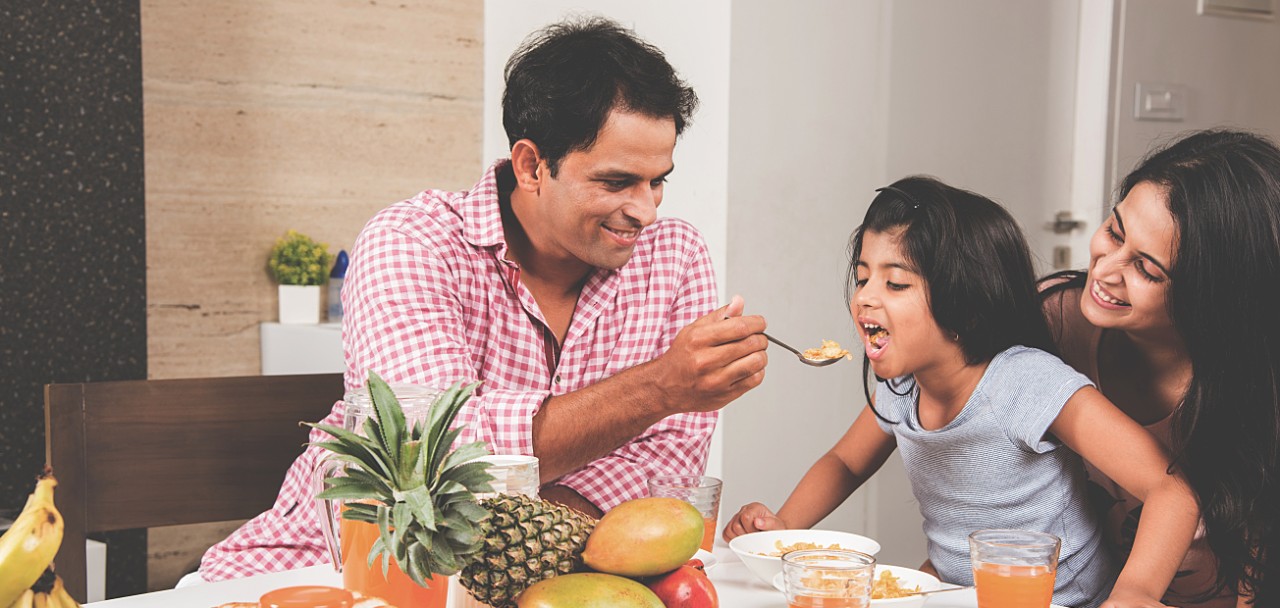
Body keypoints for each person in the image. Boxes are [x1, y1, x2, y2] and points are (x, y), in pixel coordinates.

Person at [197, 16, 768, 581]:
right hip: (335, 571)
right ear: (531, 166)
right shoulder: (412, 242)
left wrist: (530, 535)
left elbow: (665, 468)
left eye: (658, 179)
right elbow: (434, 460)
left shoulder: (676, 255)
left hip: (563, 579)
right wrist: (660, 386)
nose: (647, 211)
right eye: (617, 182)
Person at [723, 177, 1200, 608]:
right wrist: (781, 529)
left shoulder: (1025, 383)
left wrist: (1134, 594)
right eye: (863, 275)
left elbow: (1171, 488)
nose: (866, 296)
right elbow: (844, 463)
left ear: (967, 309)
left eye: (896, 283)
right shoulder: (902, 387)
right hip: (961, 598)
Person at [1041, 128, 1280, 608]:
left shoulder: (1261, 394)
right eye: (1114, 231)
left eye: (1147, 269)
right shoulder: (1053, 322)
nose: (1105, 272)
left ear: (1213, 299)